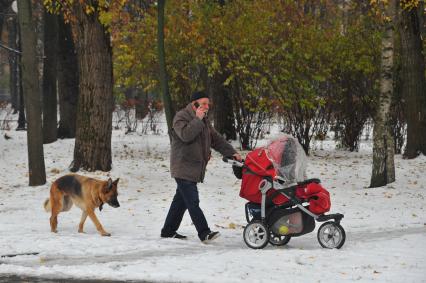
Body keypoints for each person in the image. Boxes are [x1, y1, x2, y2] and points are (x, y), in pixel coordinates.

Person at [161, 90, 242, 243]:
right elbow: (185, 135)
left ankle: (168, 230)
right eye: (204, 103)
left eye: (208, 104)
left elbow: (216, 139)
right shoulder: (181, 117)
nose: (207, 106)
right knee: (192, 202)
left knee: (181, 201)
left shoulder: (204, 120)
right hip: (182, 167)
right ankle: (204, 233)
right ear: (194, 104)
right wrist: (198, 119)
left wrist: (232, 153)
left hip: (194, 168)